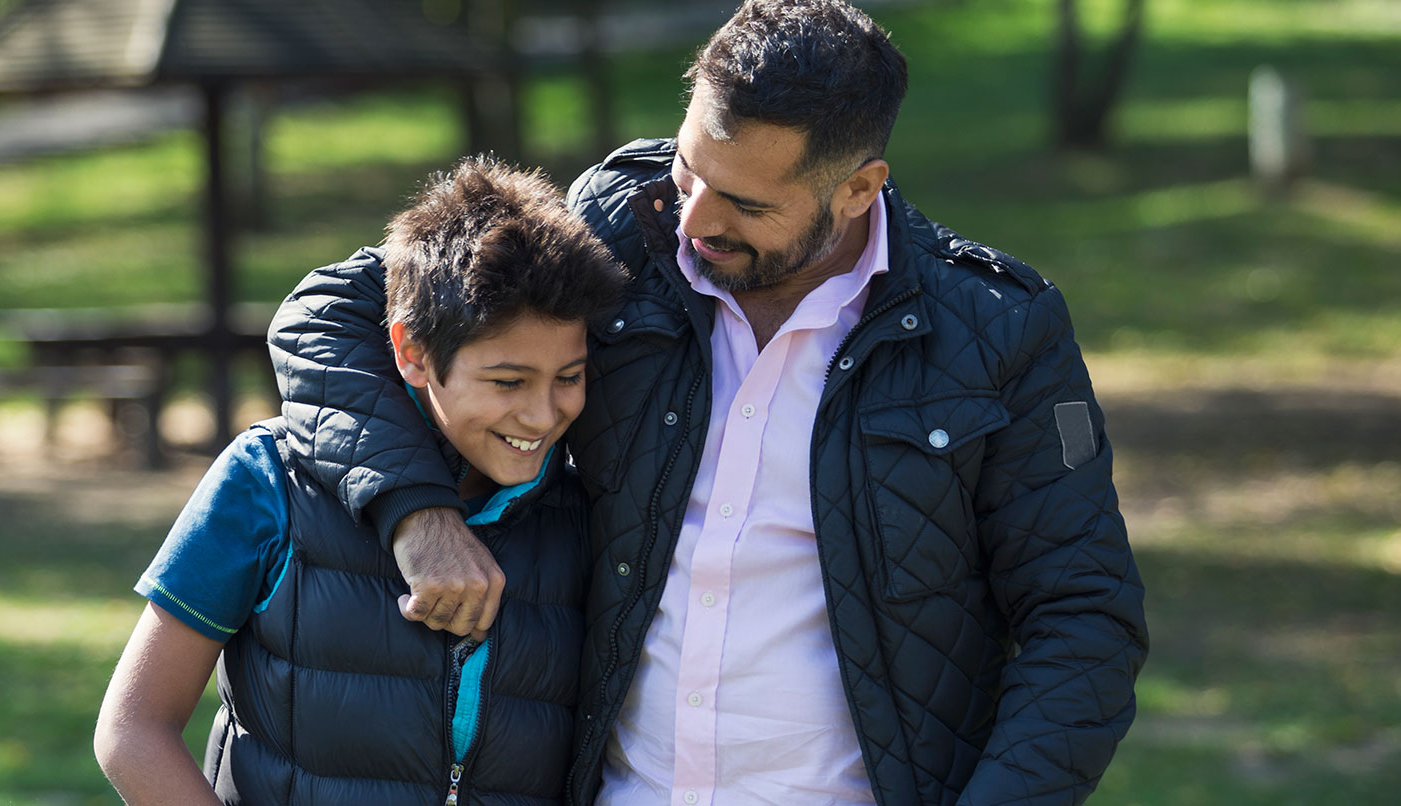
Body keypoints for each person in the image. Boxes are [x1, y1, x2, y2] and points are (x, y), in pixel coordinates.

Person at [268, 1, 1150, 803]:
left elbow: (1083, 621)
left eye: (744, 203)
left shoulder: (998, 331)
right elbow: (326, 314)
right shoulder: (620, 220)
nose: (692, 220)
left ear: (858, 189)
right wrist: (415, 513)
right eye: (692, 169)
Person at [94, 157, 630, 806]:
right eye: (508, 382)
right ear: (412, 352)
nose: (544, 415)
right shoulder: (269, 478)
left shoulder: (589, 509)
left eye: (568, 377)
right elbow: (132, 732)